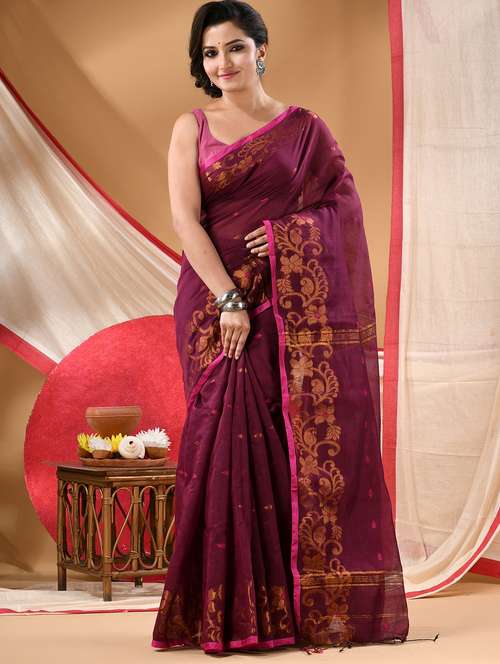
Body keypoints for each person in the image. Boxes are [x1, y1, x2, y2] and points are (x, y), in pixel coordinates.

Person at [152, 0, 409, 654]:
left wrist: (287, 235)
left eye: (235, 48)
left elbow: (341, 209)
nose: (223, 63)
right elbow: (185, 221)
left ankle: (286, 610)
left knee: (283, 443)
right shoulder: (192, 127)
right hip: (214, 302)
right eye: (211, 53)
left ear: (260, 50)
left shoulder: (304, 130)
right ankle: (225, 614)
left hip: (285, 304)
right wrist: (229, 301)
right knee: (221, 438)